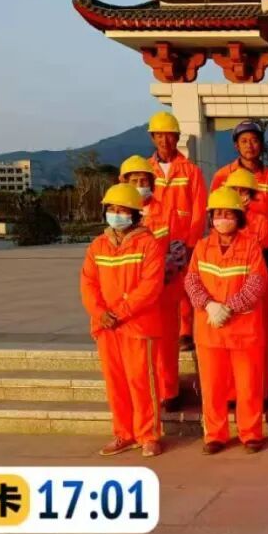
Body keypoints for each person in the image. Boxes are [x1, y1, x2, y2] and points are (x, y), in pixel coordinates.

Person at [80, 183, 166, 458]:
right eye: (112, 209)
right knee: (115, 383)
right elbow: (88, 283)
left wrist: (119, 313)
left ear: (135, 214)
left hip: (137, 326)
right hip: (106, 327)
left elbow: (150, 286)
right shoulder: (98, 245)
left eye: (123, 210)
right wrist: (100, 313)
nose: (117, 215)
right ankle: (124, 434)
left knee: (142, 382)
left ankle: (148, 435)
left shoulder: (148, 244)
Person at [185, 188, 268, 455]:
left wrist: (229, 308)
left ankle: (251, 433)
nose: (223, 218)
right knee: (212, 387)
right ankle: (215, 435)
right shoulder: (202, 247)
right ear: (211, 217)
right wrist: (209, 305)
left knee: (248, 386)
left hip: (243, 330)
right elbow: (191, 280)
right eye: (218, 213)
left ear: (239, 217)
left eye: (228, 214)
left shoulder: (251, 247)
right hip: (210, 329)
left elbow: (257, 283)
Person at [118, 155, 186, 410]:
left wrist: (159, 272)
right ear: (123, 182)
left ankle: (169, 392)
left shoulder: (166, 210)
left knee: (167, 344)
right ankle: (144, 394)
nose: (140, 185)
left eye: (144, 181)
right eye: (134, 181)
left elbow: (178, 248)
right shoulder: (118, 214)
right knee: (139, 349)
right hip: (133, 295)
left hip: (164, 290)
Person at [147, 111, 206, 352]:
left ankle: (185, 332)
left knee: (184, 286)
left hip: (182, 239)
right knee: (154, 283)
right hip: (153, 239)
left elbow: (199, 209)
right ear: (153, 138)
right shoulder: (145, 170)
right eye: (159, 135)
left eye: (169, 135)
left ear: (177, 137)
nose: (165, 141)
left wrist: (192, 242)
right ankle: (158, 326)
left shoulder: (190, 170)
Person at [224, 168, 268, 402]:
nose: (239, 194)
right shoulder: (223, 222)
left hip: (257, 290)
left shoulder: (261, 222)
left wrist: (249, 291)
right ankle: (232, 394)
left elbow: (267, 259)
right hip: (229, 289)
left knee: (258, 343)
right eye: (234, 190)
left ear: (252, 194)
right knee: (230, 343)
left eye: (243, 190)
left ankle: (260, 392)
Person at [211, 120, 268, 239]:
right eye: (244, 141)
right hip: (232, 243)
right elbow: (214, 212)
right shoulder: (222, 176)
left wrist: (265, 230)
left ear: (261, 144)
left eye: (254, 140)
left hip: (262, 243)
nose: (249, 146)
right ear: (236, 146)